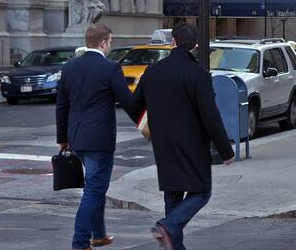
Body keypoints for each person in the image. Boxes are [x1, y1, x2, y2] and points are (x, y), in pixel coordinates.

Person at [125, 22, 234, 250]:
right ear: (194, 45)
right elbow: (210, 116)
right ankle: (167, 226)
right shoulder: (198, 75)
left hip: (163, 144)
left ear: (172, 41)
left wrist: (149, 129)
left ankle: (171, 234)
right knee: (201, 192)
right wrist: (226, 150)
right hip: (193, 146)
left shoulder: (152, 71)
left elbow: (133, 106)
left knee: (172, 197)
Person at [56, 23, 132, 250]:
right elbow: (128, 101)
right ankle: (80, 243)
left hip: (76, 138)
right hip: (99, 140)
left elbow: (62, 106)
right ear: (103, 42)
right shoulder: (111, 68)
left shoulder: (70, 67)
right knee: (94, 190)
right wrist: (148, 123)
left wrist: (63, 138)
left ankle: (99, 235)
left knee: (95, 187)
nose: (110, 45)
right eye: (110, 41)